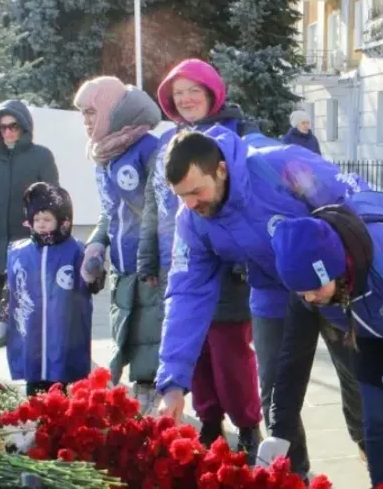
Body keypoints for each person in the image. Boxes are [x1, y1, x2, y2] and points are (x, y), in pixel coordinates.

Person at [155, 131, 368, 476]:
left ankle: (368, 441)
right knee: (275, 395)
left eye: (196, 191)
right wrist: (174, 382)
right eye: (182, 196)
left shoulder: (281, 167)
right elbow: (186, 294)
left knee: (358, 376)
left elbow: (356, 202)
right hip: (273, 295)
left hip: (329, 284)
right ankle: (294, 476)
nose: (191, 203)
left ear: (221, 170)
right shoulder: (192, 221)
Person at [260, 200, 383, 489]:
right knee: (377, 423)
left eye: (314, 289)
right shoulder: (308, 293)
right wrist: (279, 431)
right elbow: (293, 358)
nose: (309, 298)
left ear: (335, 268)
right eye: (300, 293)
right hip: (372, 338)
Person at [140, 58, 263, 451]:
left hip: (231, 272)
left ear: (212, 92)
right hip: (182, 260)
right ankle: (209, 421)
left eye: (194, 90)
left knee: (231, 355)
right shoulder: (168, 144)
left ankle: (247, 424)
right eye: (179, 93)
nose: (187, 98)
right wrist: (148, 256)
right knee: (196, 354)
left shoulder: (240, 134)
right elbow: (154, 203)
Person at [73, 76, 162, 413]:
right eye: (82, 114)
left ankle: (152, 406)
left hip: (150, 269)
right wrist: (95, 247)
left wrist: (151, 259)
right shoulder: (105, 156)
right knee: (128, 334)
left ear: (113, 111)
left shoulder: (147, 149)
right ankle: (141, 402)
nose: (86, 120)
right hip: (123, 272)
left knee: (149, 341)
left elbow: (159, 212)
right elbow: (110, 214)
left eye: (92, 112)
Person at [0, 100, 59, 317]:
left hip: (26, 234)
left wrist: (50, 227)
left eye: (13, 126)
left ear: (24, 126)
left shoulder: (41, 156)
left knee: (26, 284)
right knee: (1, 283)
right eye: (3, 127)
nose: (8, 132)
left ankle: (29, 327)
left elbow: (52, 194)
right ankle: (4, 324)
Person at [2, 182, 98, 397]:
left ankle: (60, 413)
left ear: (62, 221)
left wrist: (92, 273)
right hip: (31, 331)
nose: (41, 225)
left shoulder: (75, 250)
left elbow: (89, 285)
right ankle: (34, 413)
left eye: (47, 220)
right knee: (33, 377)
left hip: (64, 329)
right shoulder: (20, 252)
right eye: (36, 220)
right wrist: (3, 319)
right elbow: (11, 288)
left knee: (59, 375)